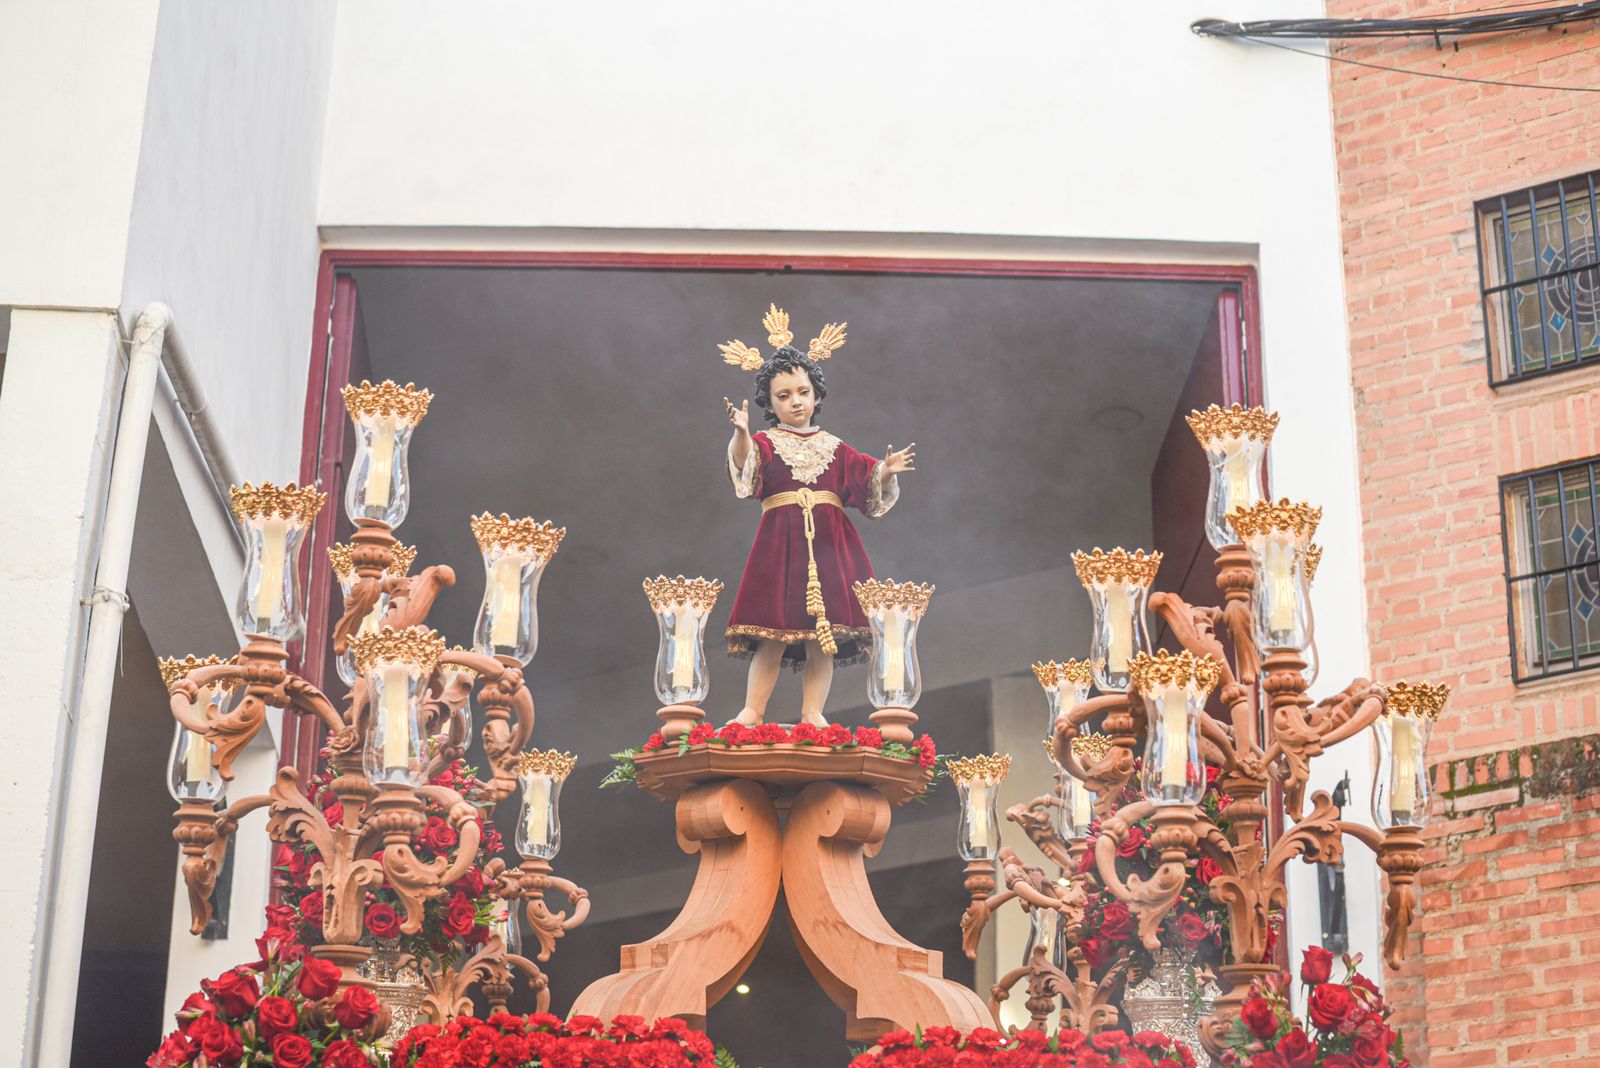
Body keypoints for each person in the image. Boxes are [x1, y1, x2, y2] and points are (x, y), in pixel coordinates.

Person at [719, 305, 916, 726]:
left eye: (803, 392)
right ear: (770, 403)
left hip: (830, 545)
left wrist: (884, 471)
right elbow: (746, 468)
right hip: (780, 546)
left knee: (820, 641)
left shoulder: (835, 447)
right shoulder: (765, 442)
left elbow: (867, 482)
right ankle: (752, 711)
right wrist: (739, 433)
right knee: (771, 635)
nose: (795, 402)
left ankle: (813, 713)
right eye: (784, 396)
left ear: (817, 395)